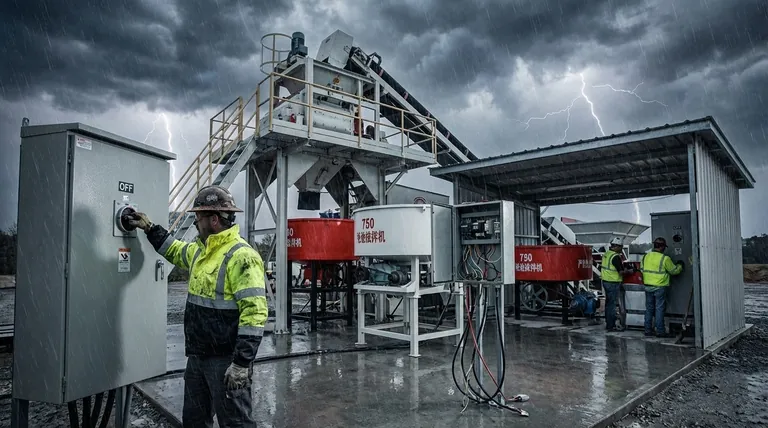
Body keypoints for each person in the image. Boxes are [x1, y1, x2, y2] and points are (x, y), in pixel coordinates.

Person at [126, 185, 267, 427]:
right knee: (194, 420)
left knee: (235, 422)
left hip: (226, 361)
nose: (194, 223)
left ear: (213, 220)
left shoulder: (242, 256)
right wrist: (149, 228)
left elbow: (254, 314)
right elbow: (175, 250)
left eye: (197, 217)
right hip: (198, 357)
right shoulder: (201, 252)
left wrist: (241, 364)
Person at [640, 237, 684, 338]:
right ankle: (660, 331)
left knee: (649, 309)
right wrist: (680, 265)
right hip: (659, 287)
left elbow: (642, 269)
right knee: (659, 309)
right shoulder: (665, 259)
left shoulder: (646, 256)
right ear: (663, 247)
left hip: (647, 286)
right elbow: (674, 271)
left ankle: (647, 330)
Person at [601, 237, 633, 331]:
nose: (621, 249)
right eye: (621, 247)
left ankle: (609, 323)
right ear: (617, 246)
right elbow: (621, 272)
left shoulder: (607, 254)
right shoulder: (615, 256)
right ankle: (611, 326)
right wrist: (629, 271)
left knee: (608, 304)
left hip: (606, 281)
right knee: (612, 305)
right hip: (613, 282)